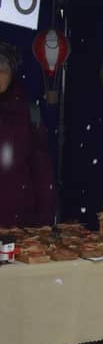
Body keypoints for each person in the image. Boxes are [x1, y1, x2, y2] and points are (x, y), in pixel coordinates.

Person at [0, 41, 55, 227]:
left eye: (3, 69)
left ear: (12, 74)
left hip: (19, 221)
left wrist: (45, 221)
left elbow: (42, 172)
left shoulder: (29, 113)